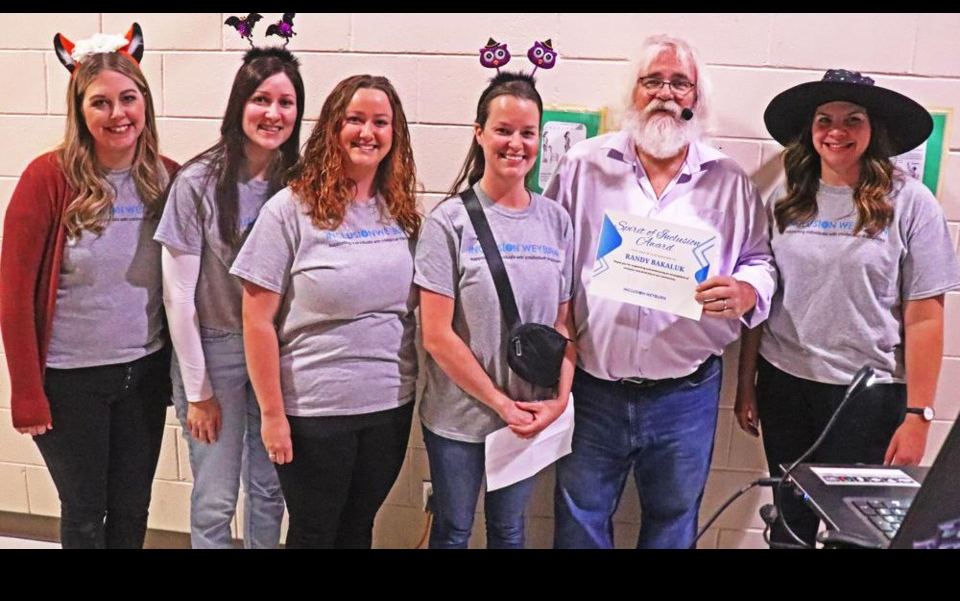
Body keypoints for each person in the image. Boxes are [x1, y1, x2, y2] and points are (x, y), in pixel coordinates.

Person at [544, 34, 776, 549]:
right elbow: (549, 253)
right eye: (653, 81)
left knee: (673, 525)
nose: (666, 93)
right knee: (579, 521)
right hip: (592, 388)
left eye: (680, 83)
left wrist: (745, 290)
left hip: (685, 397)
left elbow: (761, 261)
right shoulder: (583, 165)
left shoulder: (730, 181)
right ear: (634, 93)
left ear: (696, 99)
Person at [736, 69, 960, 547]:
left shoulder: (911, 204)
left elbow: (926, 317)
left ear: (872, 129)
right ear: (810, 130)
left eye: (852, 120)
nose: (837, 132)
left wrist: (918, 414)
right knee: (790, 521)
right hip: (785, 386)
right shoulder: (784, 199)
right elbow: (762, 297)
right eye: (825, 120)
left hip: (869, 399)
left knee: (854, 531)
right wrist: (745, 385)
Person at [0, 25, 178, 549]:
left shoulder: (166, 179)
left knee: (132, 506)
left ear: (145, 102)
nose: (118, 113)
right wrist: (27, 391)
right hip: (69, 379)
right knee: (84, 511)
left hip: (142, 374)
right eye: (100, 102)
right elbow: (12, 297)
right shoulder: (47, 179)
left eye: (129, 98)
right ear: (80, 111)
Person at [231, 74, 420, 549]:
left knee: (358, 529)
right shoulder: (289, 211)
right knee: (315, 533)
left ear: (394, 134)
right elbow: (256, 320)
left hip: (388, 407)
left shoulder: (399, 212)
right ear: (332, 128)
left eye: (380, 122)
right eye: (354, 119)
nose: (367, 132)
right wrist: (273, 415)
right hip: (314, 412)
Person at [415, 71, 576, 549]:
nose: (515, 143)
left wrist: (559, 402)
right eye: (503, 130)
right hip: (459, 419)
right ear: (479, 132)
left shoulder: (556, 221)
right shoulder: (449, 223)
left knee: (509, 530)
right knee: (453, 529)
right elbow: (437, 335)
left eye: (528, 133)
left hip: (528, 417)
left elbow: (564, 325)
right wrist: (499, 403)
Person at [154, 47, 304, 549]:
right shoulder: (197, 182)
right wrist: (198, 392)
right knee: (216, 496)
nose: (273, 113)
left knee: (269, 488)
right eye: (261, 99)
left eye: (286, 102)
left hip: (275, 354)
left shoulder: (301, 182)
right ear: (240, 104)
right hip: (214, 350)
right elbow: (177, 295)